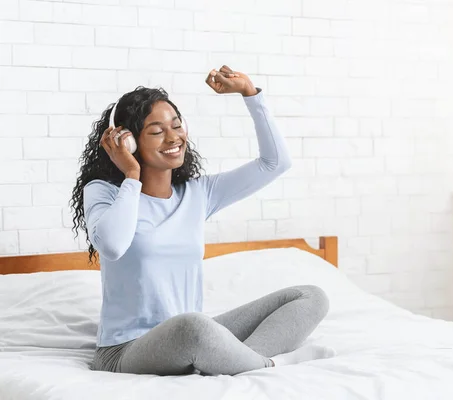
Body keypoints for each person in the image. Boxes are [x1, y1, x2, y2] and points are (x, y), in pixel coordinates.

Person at [69, 65, 335, 376]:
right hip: (126, 349)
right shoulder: (104, 192)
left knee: (310, 297)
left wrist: (250, 95)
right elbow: (113, 246)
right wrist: (131, 175)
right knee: (193, 327)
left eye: (177, 126)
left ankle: (237, 358)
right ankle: (271, 365)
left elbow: (275, 163)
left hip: (192, 336)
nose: (173, 137)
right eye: (156, 131)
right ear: (126, 142)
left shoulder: (198, 194)